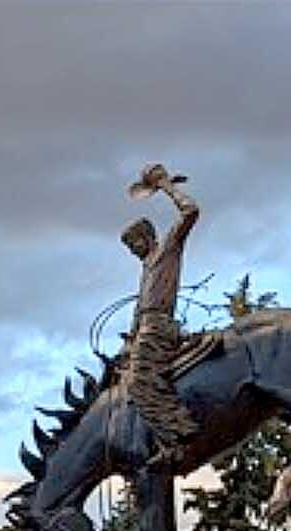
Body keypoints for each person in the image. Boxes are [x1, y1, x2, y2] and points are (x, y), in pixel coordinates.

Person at [121, 162, 200, 466]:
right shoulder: (147, 267)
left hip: (159, 328)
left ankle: (177, 437)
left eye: (133, 244)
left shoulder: (168, 247)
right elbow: (139, 309)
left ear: (147, 236)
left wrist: (167, 186)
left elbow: (191, 212)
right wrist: (128, 341)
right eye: (129, 247)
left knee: (140, 382)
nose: (132, 250)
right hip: (146, 327)